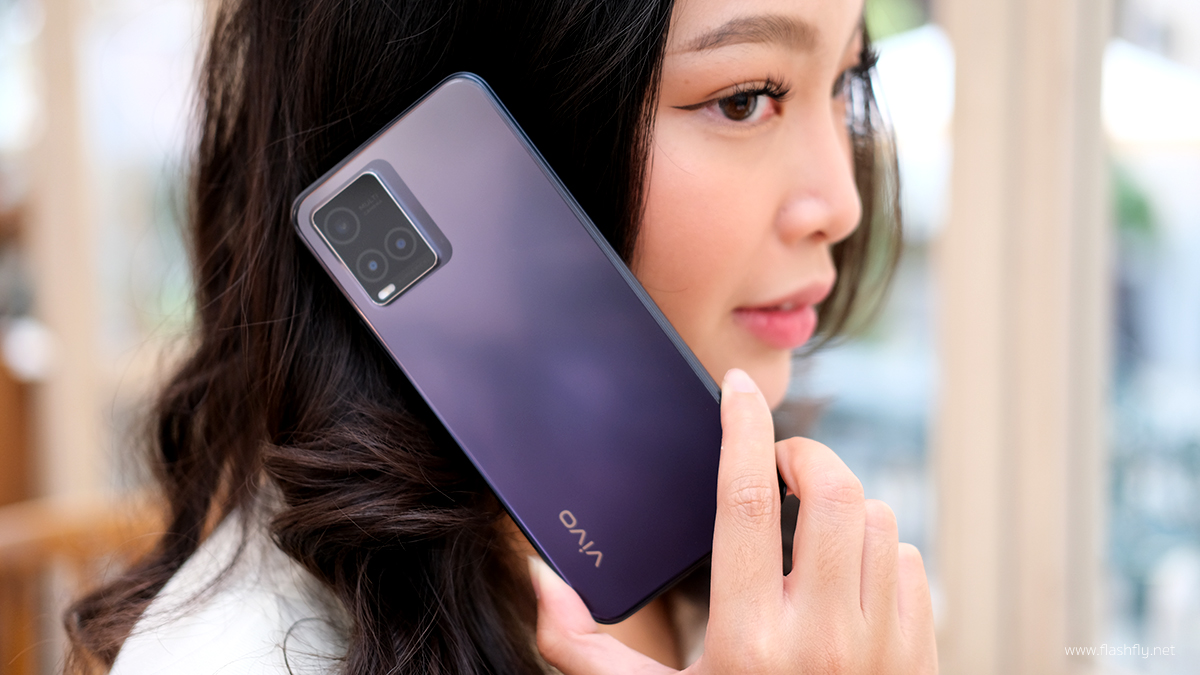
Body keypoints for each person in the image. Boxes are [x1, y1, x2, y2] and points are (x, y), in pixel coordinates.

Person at [66, 0, 937, 672]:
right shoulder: (242, 656)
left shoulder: (741, 556)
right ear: (481, 159)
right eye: (744, 99)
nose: (842, 203)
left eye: (847, 82)